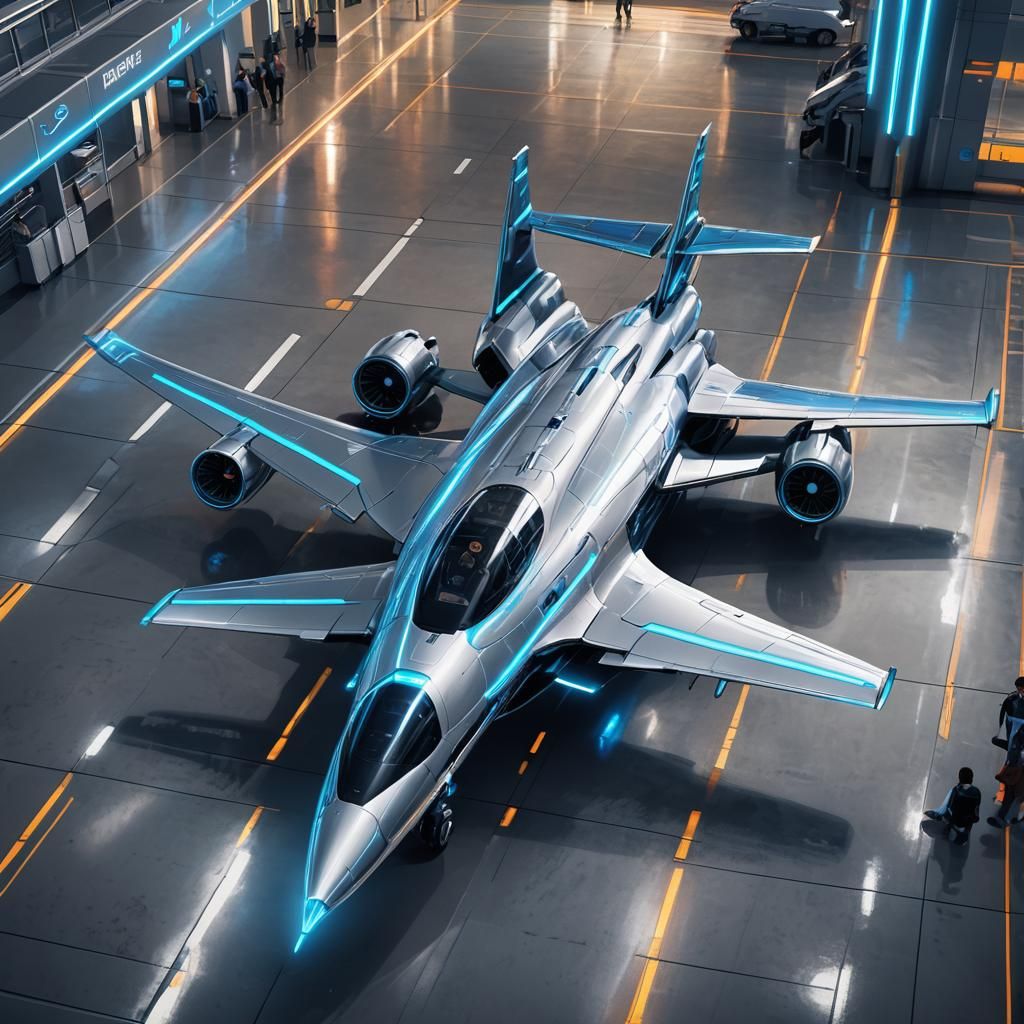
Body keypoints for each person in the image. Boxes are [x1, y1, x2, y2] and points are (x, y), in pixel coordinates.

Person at [924, 766, 981, 844]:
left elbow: (947, 808)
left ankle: (947, 832)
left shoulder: (956, 790)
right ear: (971, 779)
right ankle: (963, 835)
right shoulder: (977, 792)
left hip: (953, 822)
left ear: (959, 778)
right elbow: (976, 814)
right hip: (966, 825)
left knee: (929, 820)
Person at [989, 729, 1024, 828]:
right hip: (1013, 777)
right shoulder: (1017, 742)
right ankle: (1002, 818)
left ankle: (1012, 818)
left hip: (1017, 779)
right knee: (1009, 799)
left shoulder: (1018, 741)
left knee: (1014, 799)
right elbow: (1010, 747)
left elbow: (1010, 747)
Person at [993, 676, 1024, 750]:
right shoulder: (1010, 699)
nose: (1022, 692)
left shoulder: (1011, 698)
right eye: (1020, 690)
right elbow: (1002, 715)